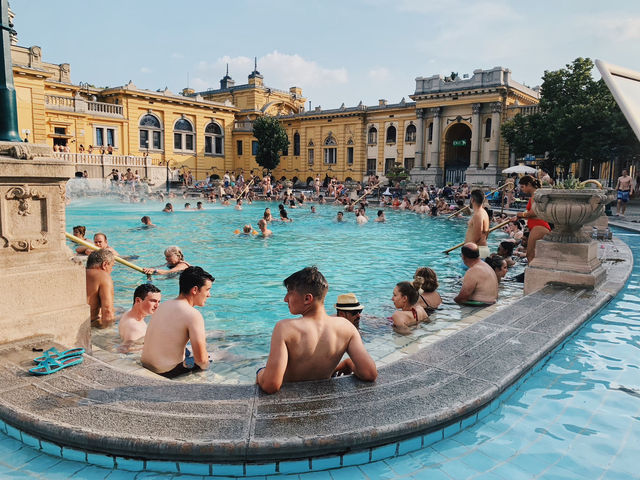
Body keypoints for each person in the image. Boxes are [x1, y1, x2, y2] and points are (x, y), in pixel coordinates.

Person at [257, 266, 377, 394]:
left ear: (307, 299)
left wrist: (260, 372)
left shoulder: (285, 328)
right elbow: (369, 373)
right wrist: (350, 363)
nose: (285, 299)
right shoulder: (346, 327)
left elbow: (271, 385)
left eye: (289, 293)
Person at [141, 266, 213, 378]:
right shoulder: (193, 314)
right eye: (207, 289)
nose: (209, 295)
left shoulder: (164, 305)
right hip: (165, 372)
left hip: (146, 365)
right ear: (195, 290)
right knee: (217, 355)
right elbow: (201, 360)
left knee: (188, 351)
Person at [511, 175, 551, 264]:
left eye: (522, 186)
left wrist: (520, 214)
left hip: (539, 227)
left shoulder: (535, 195)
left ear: (529, 184)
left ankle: (533, 275)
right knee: (535, 255)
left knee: (530, 254)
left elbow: (533, 213)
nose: (521, 189)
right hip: (538, 226)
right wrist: (520, 216)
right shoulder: (535, 195)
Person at [85, 249, 116, 328]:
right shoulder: (103, 276)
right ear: (105, 264)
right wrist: (108, 334)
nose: (111, 270)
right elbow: (108, 311)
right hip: (89, 326)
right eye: (111, 266)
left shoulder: (79, 272)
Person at [465, 189, 490, 259]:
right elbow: (487, 232)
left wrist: (467, 251)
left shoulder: (478, 215)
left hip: (475, 253)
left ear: (472, 200)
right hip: (482, 249)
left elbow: (478, 236)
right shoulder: (484, 212)